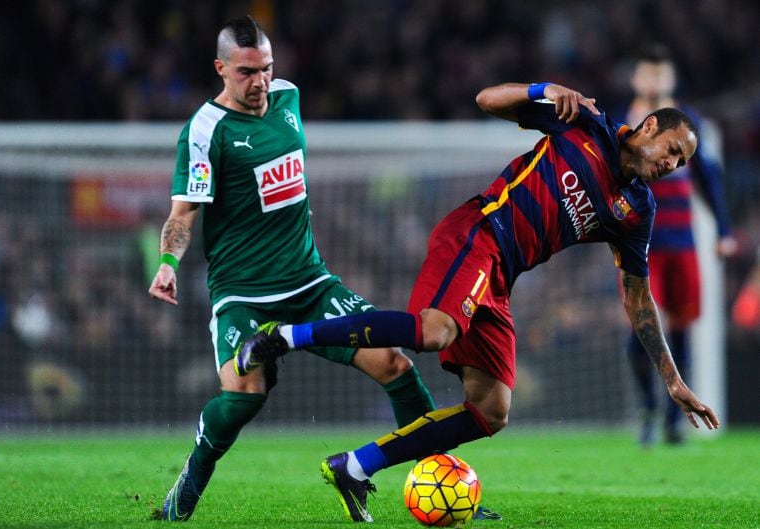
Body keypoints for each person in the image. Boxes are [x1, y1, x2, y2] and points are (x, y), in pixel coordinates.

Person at [234, 80, 722, 523]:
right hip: (479, 230)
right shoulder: (585, 124)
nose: (672, 165)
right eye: (674, 150)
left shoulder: (637, 210)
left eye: (681, 163)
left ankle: (355, 467)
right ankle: (285, 335)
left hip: (501, 276)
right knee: (434, 330)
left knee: (492, 410)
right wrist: (543, 89)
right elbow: (486, 100)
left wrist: (673, 380)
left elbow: (638, 299)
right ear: (651, 125)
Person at [147, 15, 497, 522]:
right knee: (244, 397)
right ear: (221, 68)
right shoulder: (204, 132)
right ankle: (191, 479)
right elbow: (183, 215)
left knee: (395, 364)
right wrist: (167, 264)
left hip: (310, 282)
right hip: (244, 294)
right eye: (246, 72)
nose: (260, 82)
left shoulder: (288, 97)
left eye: (266, 69)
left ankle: (444, 486)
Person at [619, 45, 736, 446]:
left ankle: (672, 419)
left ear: (671, 80)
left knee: (681, 332)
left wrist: (723, 231)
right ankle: (647, 409)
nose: (654, 82)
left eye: (661, 75)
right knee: (640, 330)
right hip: (640, 243)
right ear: (637, 79)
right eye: (648, 74)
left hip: (682, 242)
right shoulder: (624, 125)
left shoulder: (688, 128)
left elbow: (710, 179)